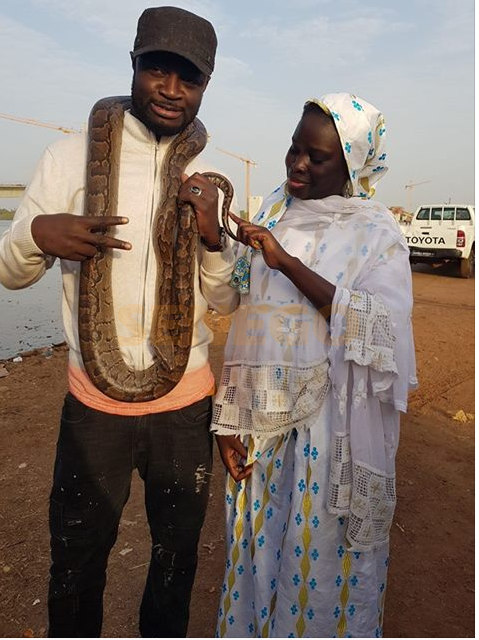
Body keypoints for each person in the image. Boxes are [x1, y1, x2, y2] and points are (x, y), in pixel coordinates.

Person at [0, 6, 239, 638]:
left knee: (174, 563)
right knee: (75, 563)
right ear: (133, 66)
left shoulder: (202, 179)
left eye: (188, 78)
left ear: (204, 87)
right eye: (157, 68)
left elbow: (225, 302)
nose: (170, 88)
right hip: (94, 407)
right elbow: (11, 274)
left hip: (185, 408)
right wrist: (37, 234)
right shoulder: (68, 158)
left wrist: (214, 235)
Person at [212, 93, 418, 638]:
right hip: (261, 428)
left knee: (319, 567)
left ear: (351, 165)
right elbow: (243, 312)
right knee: (256, 554)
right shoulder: (272, 212)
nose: (299, 163)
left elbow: (381, 333)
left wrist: (287, 262)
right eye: (294, 148)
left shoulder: (376, 233)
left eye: (318, 156)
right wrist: (229, 419)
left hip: (330, 439)